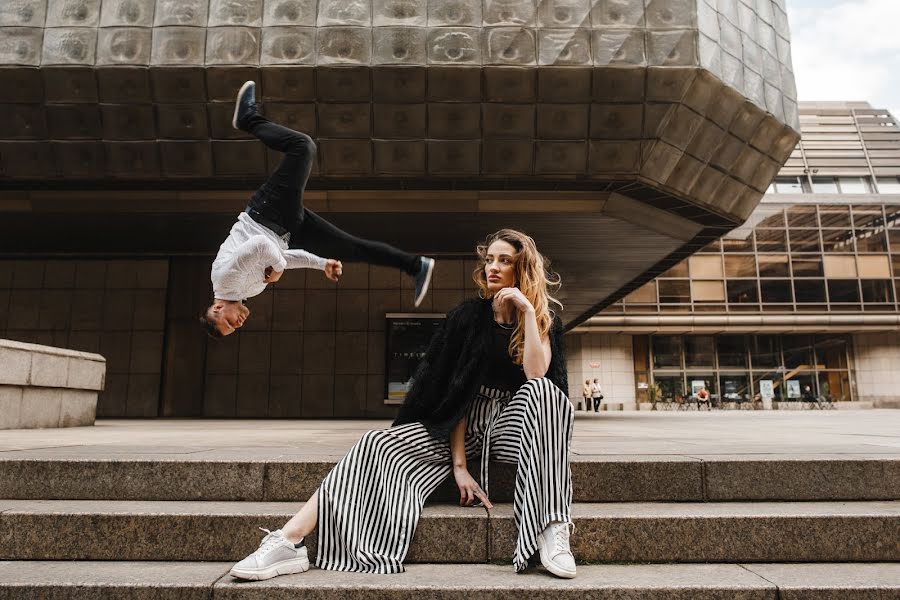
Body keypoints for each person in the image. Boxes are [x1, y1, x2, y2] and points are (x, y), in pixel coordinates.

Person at [228, 228, 576, 580]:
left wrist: (529, 313)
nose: (493, 267)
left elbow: (536, 376)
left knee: (545, 393)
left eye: (505, 260)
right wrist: (458, 465)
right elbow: (453, 395)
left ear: (523, 269)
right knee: (374, 444)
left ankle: (550, 528)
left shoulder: (545, 321)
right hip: (463, 425)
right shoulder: (468, 317)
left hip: (512, 425)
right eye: (489, 260)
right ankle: (289, 541)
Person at [201, 81, 435, 337]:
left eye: (230, 323)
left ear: (217, 308)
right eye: (235, 328)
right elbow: (284, 258)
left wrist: (277, 269)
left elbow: (259, 246)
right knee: (352, 248)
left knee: (303, 147)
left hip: (266, 214)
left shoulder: (225, 280)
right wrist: (321, 263)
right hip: (286, 229)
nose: (239, 324)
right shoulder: (246, 292)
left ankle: (248, 119)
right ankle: (415, 266)